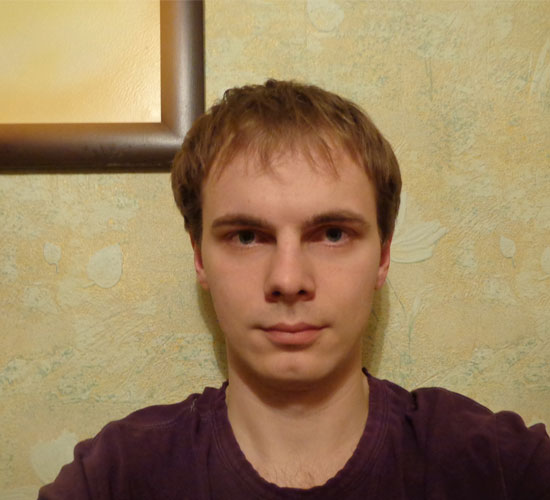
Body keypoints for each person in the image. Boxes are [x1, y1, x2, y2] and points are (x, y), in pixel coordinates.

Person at [39, 80, 550, 499]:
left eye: (332, 234)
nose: (288, 280)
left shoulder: (499, 465)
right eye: (247, 236)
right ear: (199, 258)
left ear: (383, 256)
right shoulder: (114, 478)